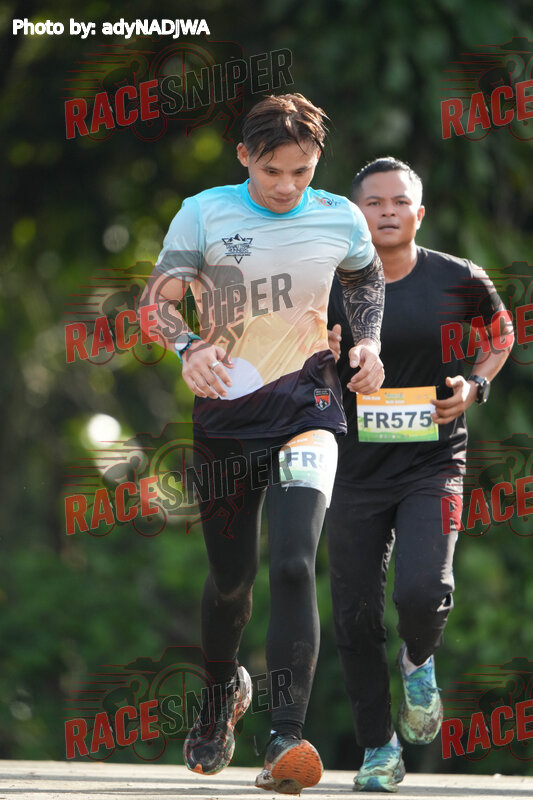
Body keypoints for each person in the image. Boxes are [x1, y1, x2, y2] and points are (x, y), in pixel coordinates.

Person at [139, 94, 385, 794]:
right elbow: (157, 300)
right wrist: (187, 347)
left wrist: (366, 341)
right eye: (272, 171)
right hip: (226, 414)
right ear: (245, 156)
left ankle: (285, 737)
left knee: (294, 562)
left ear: (317, 163)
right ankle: (222, 694)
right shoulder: (204, 212)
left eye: (301, 172)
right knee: (231, 581)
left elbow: (365, 276)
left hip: (309, 406)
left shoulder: (339, 216)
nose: (286, 186)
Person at [326, 157, 513, 792]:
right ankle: (378, 748)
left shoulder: (459, 277)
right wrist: (323, 357)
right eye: (373, 203)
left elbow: (502, 333)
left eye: (399, 202)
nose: (387, 211)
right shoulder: (328, 281)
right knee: (354, 616)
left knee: (423, 591)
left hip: (433, 462)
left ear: (419, 213)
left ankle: (418, 661)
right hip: (352, 469)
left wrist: (475, 385)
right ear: (355, 215)